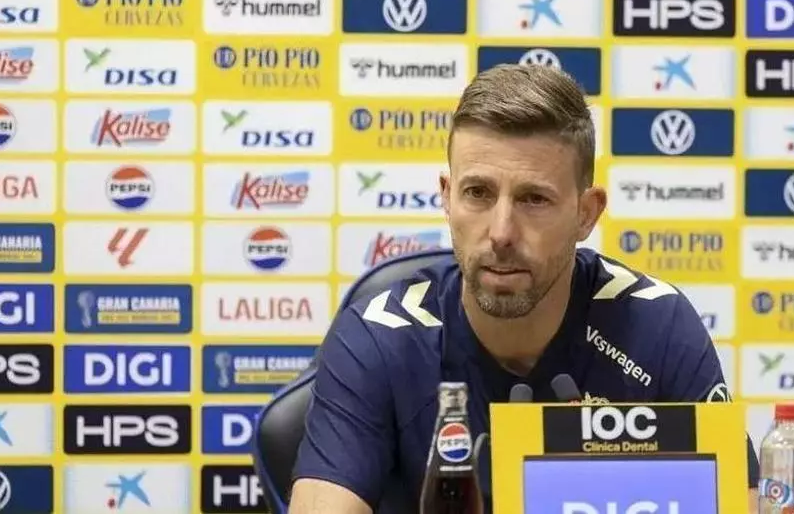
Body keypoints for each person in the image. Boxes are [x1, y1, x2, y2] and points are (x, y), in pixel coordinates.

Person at [289, 64, 760, 513]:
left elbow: (740, 501)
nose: (501, 233)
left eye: (533, 199)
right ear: (447, 198)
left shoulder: (656, 325)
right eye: (477, 193)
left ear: (586, 214)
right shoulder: (379, 337)